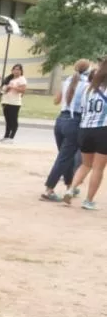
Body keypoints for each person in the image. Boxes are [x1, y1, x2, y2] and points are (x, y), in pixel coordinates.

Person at [41, 59, 89, 202]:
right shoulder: (87, 85)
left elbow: (56, 100)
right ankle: (49, 189)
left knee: (66, 156)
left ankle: (70, 185)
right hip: (74, 122)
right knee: (64, 158)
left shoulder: (67, 81)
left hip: (61, 120)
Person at [64, 56, 107, 210]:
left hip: (85, 129)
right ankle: (88, 200)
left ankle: (71, 189)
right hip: (103, 130)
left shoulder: (88, 90)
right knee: (98, 168)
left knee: (85, 164)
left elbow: (82, 110)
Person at [0, 64, 28, 142]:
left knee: (13, 119)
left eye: (18, 69)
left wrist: (12, 87)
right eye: (14, 69)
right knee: (7, 120)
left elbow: (23, 90)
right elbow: (3, 90)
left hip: (14, 103)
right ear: (12, 70)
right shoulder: (9, 79)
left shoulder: (21, 79)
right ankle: (6, 136)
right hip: (6, 101)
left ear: (21, 71)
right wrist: (6, 89)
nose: (16, 71)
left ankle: (11, 137)